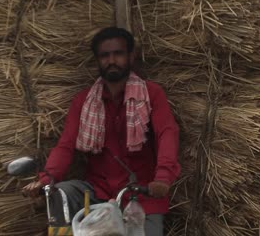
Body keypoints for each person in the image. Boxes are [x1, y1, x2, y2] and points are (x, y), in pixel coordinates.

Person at [22, 27, 181, 235]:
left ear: (131, 56)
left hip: (140, 193)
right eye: (105, 55)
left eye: (118, 53)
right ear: (98, 60)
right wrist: (46, 179)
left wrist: (162, 178)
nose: (111, 60)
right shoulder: (84, 100)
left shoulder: (151, 94)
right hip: (97, 191)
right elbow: (66, 145)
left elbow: (167, 133)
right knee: (61, 193)